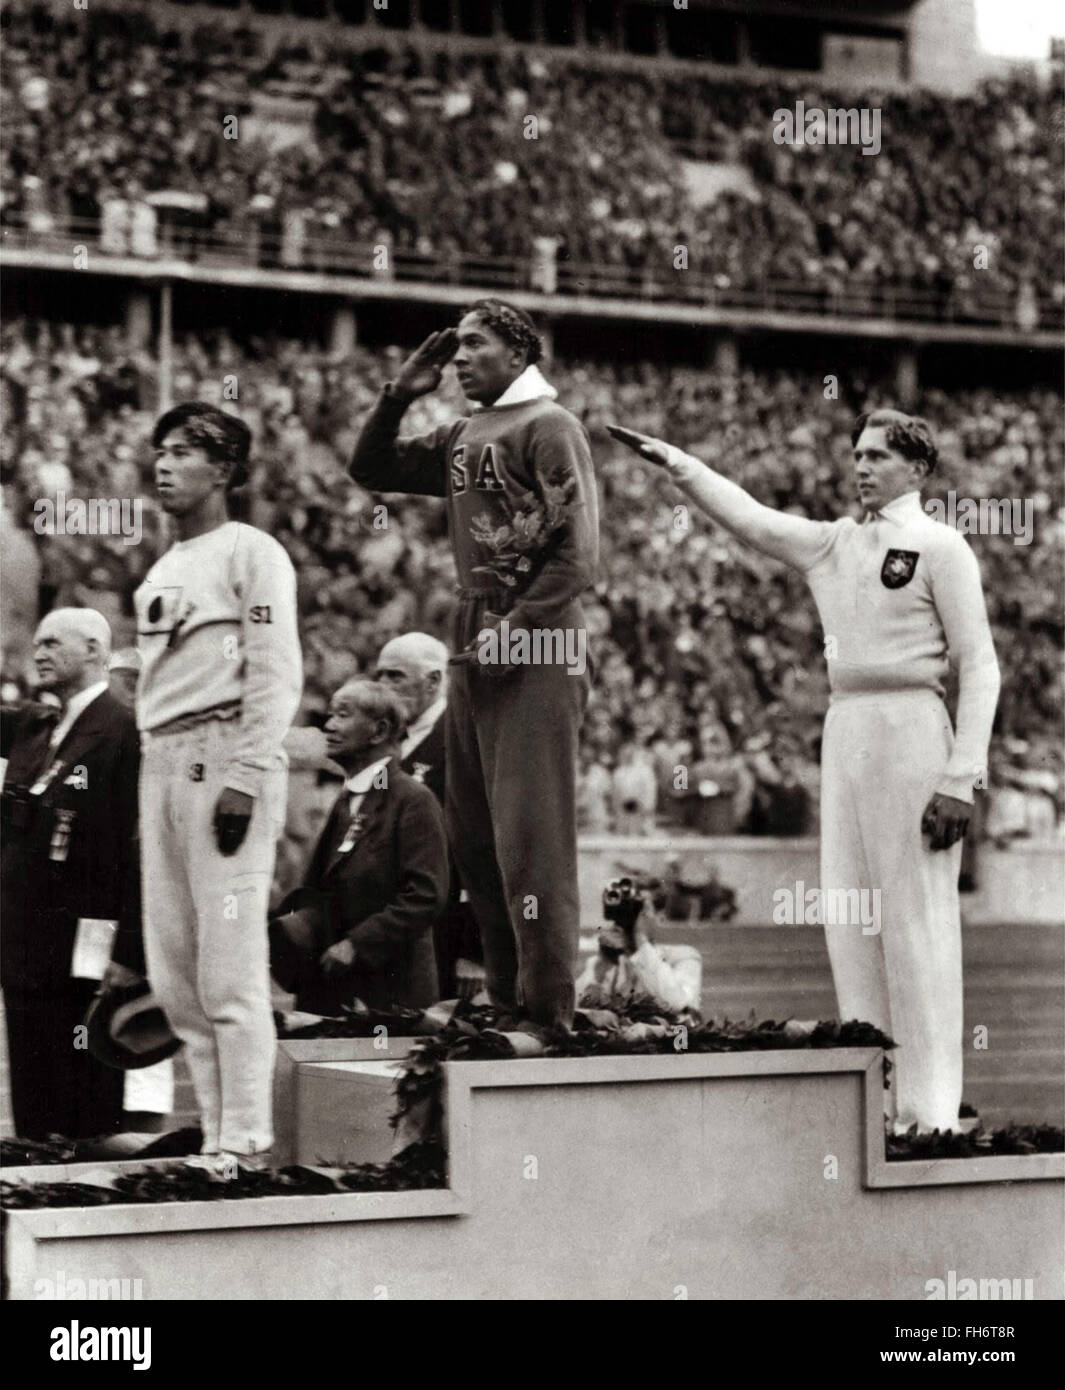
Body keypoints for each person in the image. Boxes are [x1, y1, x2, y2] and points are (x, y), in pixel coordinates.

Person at [609, 409, 1000, 1134]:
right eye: (855, 454)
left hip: (912, 721)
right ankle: (871, 1095)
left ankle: (931, 1110)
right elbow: (752, 519)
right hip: (845, 723)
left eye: (877, 456)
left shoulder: (941, 546)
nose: (860, 466)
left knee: (913, 919)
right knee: (849, 914)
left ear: (916, 469)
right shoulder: (833, 544)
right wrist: (677, 464)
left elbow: (978, 663)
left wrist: (959, 776)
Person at [349, 300, 599, 1035]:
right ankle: (503, 996)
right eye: (455, 346)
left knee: (531, 835)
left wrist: (515, 628)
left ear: (519, 353)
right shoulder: (465, 431)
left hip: (538, 632)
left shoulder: (548, 426)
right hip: (474, 622)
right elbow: (373, 468)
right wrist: (398, 395)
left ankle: (549, 1009)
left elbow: (579, 554)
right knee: (477, 837)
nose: (458, 357)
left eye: (474, 344)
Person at [135, 402, 302, 1173]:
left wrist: (244, 773)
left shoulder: (253, 552)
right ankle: (213, 1138)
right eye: (160, 451)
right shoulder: (164, 566)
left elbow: (274, 667)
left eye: (183, 452)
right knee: (176, 975)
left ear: (225, 470)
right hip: (162, 759)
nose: (163, 465)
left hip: (221, 752)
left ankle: (246, 1140)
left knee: (229, 967)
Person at [1, 608, 141, 1139]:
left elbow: (136, 850)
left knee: (86, 1103)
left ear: (94, 650)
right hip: (25, 940)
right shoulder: (36, 726)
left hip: (87, 942)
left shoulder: (122, 728)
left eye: (54, 643)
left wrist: (130, 950)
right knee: (34, 1103)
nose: (39, 652)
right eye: (36, 643)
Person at [269, 679, 449, 1014]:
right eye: (331, 714)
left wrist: (358, 944)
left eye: (343, 714)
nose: (329, 725)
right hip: (331, 987)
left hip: (389, 997)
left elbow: (425, 895)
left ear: (379, 731)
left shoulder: (413, 800)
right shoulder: (347, 800)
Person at [374, 632, 484, 999]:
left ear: (434, 680)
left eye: (396, 676)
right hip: (389, 927)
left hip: (444, 931)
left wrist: (474, 950)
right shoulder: (386, 740)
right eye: (380, 676)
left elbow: (483, 846)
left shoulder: (466, 739)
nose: (383, 686)